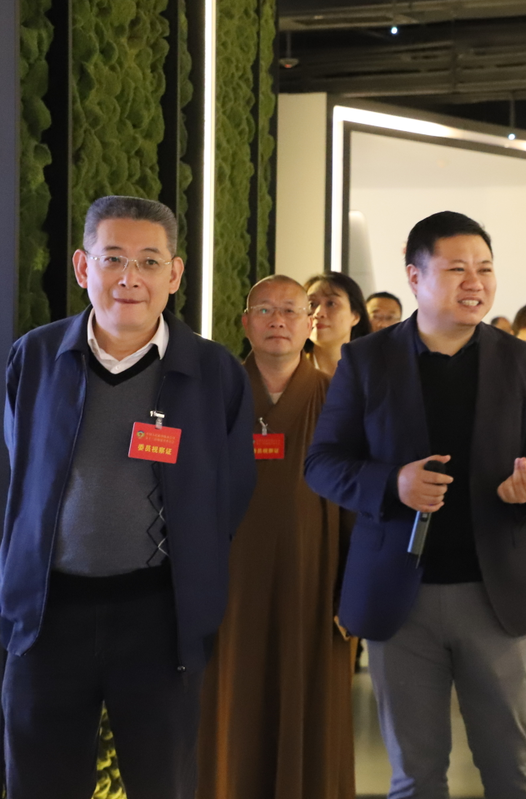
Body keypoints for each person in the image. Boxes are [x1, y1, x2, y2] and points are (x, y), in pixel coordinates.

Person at [0, 196, 257, 799]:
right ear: (82, 267)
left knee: (162, 781)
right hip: (47, 611)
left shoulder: (214, 371)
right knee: (37, 781)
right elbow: (22, 471)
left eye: (149, 261)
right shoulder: (36, 357)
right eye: (112, 258)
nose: (129, 278)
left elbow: (230, 492)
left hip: (158, 615)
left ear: (175, 273)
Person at [305, 211, 526, 799]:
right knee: (416, 775)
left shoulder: (521, 361)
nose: (475, 282)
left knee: (514, 769)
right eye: (456, 269)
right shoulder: (367, 359)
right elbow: (321, 463)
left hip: (491, 594)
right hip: (399, 597)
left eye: (485, 269)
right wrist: (391, 484)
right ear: (415, 276)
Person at [196, 276, 355, 799]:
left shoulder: (338, 399)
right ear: (245, 323)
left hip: (314, 584)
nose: (278, 321)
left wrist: (352, 593)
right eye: (265, 310)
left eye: (290, 310)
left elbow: (358, 504)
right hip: (229, 591)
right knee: (230, 709)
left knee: (309, 710)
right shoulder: (214, 398)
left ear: (310, 323)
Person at [304, 272, 371, 375]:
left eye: (331, 303)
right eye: (312, 304)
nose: (318, 313)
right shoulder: (289, 371)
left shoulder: (372, 371)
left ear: (355, 316)